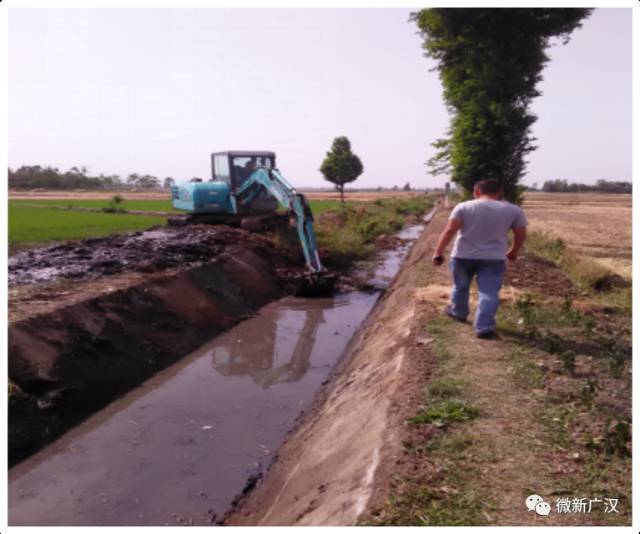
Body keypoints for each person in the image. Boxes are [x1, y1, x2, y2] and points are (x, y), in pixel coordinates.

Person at [431, 179, 527, 339]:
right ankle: (484, 328)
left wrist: (438, 252)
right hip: (493, 258)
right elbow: (521, 233)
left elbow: (449, 231)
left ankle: (459, 313)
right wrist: (514, 251)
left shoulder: (463, 207)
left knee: (460, 287)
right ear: (499, 193)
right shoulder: (513, 210)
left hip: (462, 256)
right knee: (489, 293)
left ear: (476, 192)